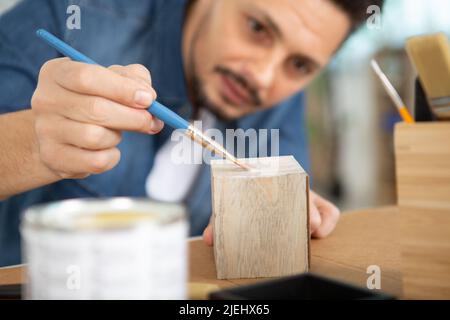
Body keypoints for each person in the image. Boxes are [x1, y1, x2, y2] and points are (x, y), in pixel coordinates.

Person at [0, 0, 384, 266]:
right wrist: (36, 142)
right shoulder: (72, 18)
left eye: (299, 64)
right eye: (257, 28)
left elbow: (280, 200)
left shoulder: (279, 94)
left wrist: (284, 214)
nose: (264, 77)